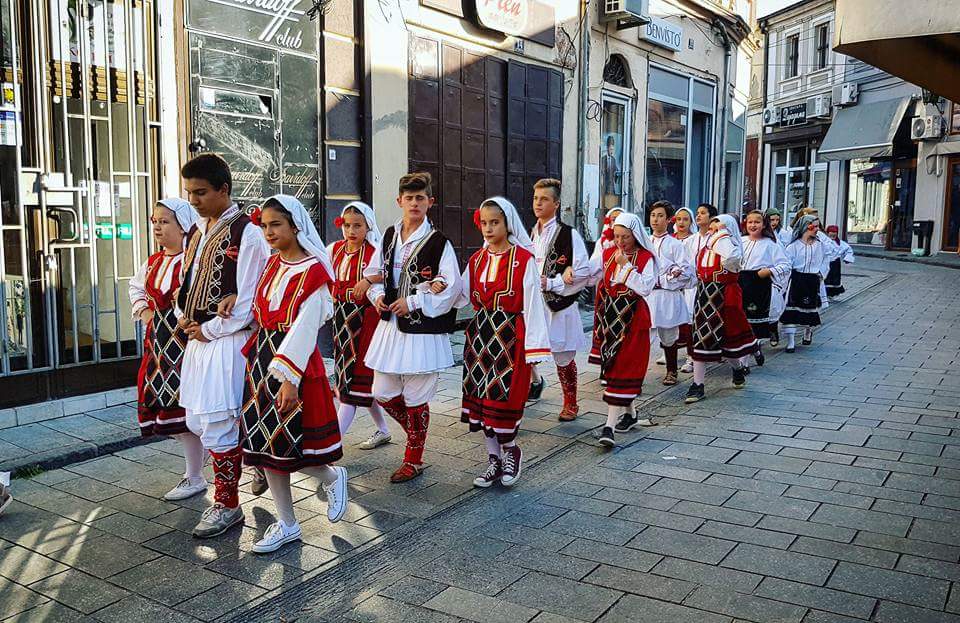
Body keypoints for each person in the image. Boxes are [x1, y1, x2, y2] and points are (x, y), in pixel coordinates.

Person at [240, 195, 347, 554]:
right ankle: (286, 523)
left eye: (277, 225)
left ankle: (332, 477)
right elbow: (259, 312)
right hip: (261, 360)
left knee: (291, 445)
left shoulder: (314, 271)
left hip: (294, 364)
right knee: (265, 446)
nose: (269, 232)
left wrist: (289, 378)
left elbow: (305, 326)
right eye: (265, 225)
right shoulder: (271, 265)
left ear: (295, 226)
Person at [177, 154, 271, 538]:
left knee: (217, 421)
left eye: (201, 192)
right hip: (198, 338)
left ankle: (227, 504)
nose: (194, 200)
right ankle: (255, 460)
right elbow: (188, 282)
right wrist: (183, 316)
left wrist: (211, 329)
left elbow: (248, 300)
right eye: (189, 193)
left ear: (224, 190)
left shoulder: (247, 234)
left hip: (227, 340)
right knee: (197, 419)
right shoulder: (198, 232)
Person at [364, 172, 462, 483]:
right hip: (391, 325)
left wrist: (415, 301)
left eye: (421, 198)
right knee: (382, 392)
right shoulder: (390, 236)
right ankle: (416, 433)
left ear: (430, 202)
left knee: (417, 395)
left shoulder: (438, 242)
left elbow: (448, 284)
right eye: (409, 198)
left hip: (422, 329)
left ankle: (414, 458)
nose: (415, 203)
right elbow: (374, 273)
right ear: (400, 201)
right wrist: (377, 295)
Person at [458, 197, 551, 488]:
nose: (487, 228)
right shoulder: (477, 260)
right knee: (483, 401)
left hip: (510, 337)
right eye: (484, 222)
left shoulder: (523, 259)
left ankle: (512, 451)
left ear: (507, 223)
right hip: (480, 336)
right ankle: (493, 459)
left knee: (503, 399)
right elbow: (460, 294)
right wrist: (435, 286)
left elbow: (534, 304)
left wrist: (535, 348)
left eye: (494, 222)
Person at [129, 198, 201, 501]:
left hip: (188, 349)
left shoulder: (193, 262)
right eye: (155, 221)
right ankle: (194, 474)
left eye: (165, 221)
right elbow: (136, 287)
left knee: (199, 413)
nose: (158, 227)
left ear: (183, 226)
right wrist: (145, 312)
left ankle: (229, 467)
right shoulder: (154, 262)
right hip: (159, 349)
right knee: (178, 417)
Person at [328, 202, 392, 450]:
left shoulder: (374, 253)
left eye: (357, 225)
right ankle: (384, 430)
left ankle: (331, 444)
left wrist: (369, 280)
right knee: (356, 383)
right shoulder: (333, 250)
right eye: (347, 225)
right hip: (340, 322)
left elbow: (389, 276)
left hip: (364, 322)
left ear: (368, 227)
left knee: (353, 384)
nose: (351, 230)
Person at [590, 212, 657, 446]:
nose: (620, 241)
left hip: (634, 318)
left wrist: (626, 266)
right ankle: (630, 414)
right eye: (617, 236)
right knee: (615, 366)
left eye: (625, 237)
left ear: (636, 235)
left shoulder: (647, 257)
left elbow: (645, 288)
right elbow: (595, 278)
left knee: (623, 367)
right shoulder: (608, 253)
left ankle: (608, 428)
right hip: (611, 318)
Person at [529, 178, 591, 421]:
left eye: (544, 199)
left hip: (559, 306)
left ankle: (571, 402)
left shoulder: (569, 234)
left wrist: (553, 282)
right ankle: (534, 384)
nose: (538, 203)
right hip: (535, 304)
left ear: (555, 204)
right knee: (528, 350)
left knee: (563, 355)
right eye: (535, 198)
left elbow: (583, 271)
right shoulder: (533, 232)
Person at [685, 214, 757, 403]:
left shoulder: (731, 248)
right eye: (713, 223)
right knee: (701, 339)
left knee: (727, 341)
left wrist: (722, 233)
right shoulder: (706, 246)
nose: (713, 227)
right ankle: (698, 385)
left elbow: (730, 257)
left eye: (718, 224)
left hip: (725, 297)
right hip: (704, 297)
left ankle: (736, 368)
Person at [646, 201, 694, 387]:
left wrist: (668, 278)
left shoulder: (675, 245)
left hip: (667, 296)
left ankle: (672, 370)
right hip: (648, 295)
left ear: (668, 219)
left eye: (660, 216)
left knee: (669, 336)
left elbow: (687, 272)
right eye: (652, 215)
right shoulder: (645, 242)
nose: (655, 219)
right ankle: (637, 372)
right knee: (643, 336)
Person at [739, 210, 790, 368]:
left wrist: (769, 271)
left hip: (759, 286)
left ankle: (744, 363)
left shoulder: (770, 244)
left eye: (757, 222)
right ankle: (755, 350)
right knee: (740, 325)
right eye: (750, 222)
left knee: (753, 325)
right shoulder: (740, 241)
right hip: (740, 284)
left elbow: (786, 265)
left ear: (763, 224)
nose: (753, 225)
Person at [781, 214, 831, 352]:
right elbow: (786, 263)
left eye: (817, 226)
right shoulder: (793, 246)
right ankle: (791, 341)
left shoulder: (820, 245)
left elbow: (827, 258)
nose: (816, 229)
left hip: (812, 279)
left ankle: (807, 331)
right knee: (791, 310)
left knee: (810, 308)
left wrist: (821, 273)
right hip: (797, 280)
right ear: (805, 227)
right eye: (812, 226)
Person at [585, 206, 623, 385]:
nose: (615, 222)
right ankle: (604, 368)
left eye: (619, 218)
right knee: (604, 329)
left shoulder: (632, 244)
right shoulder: (603, 243)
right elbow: (594, 264)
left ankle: (621, 370)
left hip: (625, 294)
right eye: (612, 219)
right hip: (605, 293)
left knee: (622, 332)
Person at [673, 207, 699, 374]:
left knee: (689, 321)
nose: (681, 223)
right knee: (672, 321)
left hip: (689, 287)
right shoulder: (670, 239)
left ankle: (691, 356)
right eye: (678, 219)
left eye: (685, 219)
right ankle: (670, 351)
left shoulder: (693, 240)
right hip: (673, 286)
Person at [824, 225, 854, 298]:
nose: (833, 234)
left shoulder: (840, 243)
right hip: (825, 262)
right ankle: (824, 294)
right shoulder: (823, 242)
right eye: (831, 232)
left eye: (835, 232)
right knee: (825, 278)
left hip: (835, 263)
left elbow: (848, 250)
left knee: (834, 278)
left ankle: (831, 294)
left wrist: (847, 258)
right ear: (827, 233)